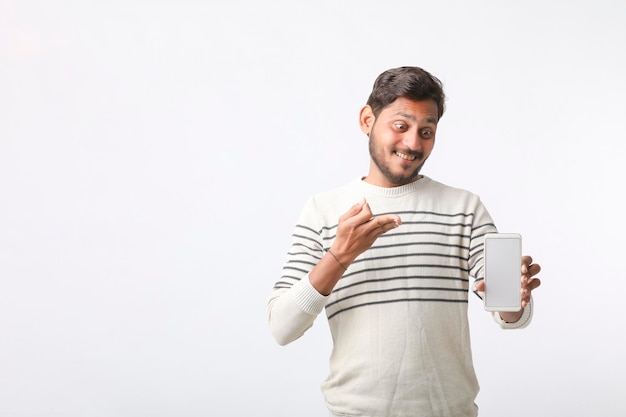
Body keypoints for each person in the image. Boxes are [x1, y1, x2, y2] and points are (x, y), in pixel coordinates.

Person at [267, 66, 542, 417]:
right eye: (400, 126)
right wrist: (338, 256)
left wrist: (513, 298)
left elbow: (512, 316)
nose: (413, 143)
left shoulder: (464, 208)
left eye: (426, 131)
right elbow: (281, 328)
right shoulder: (324, 210)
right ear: (367, 119)